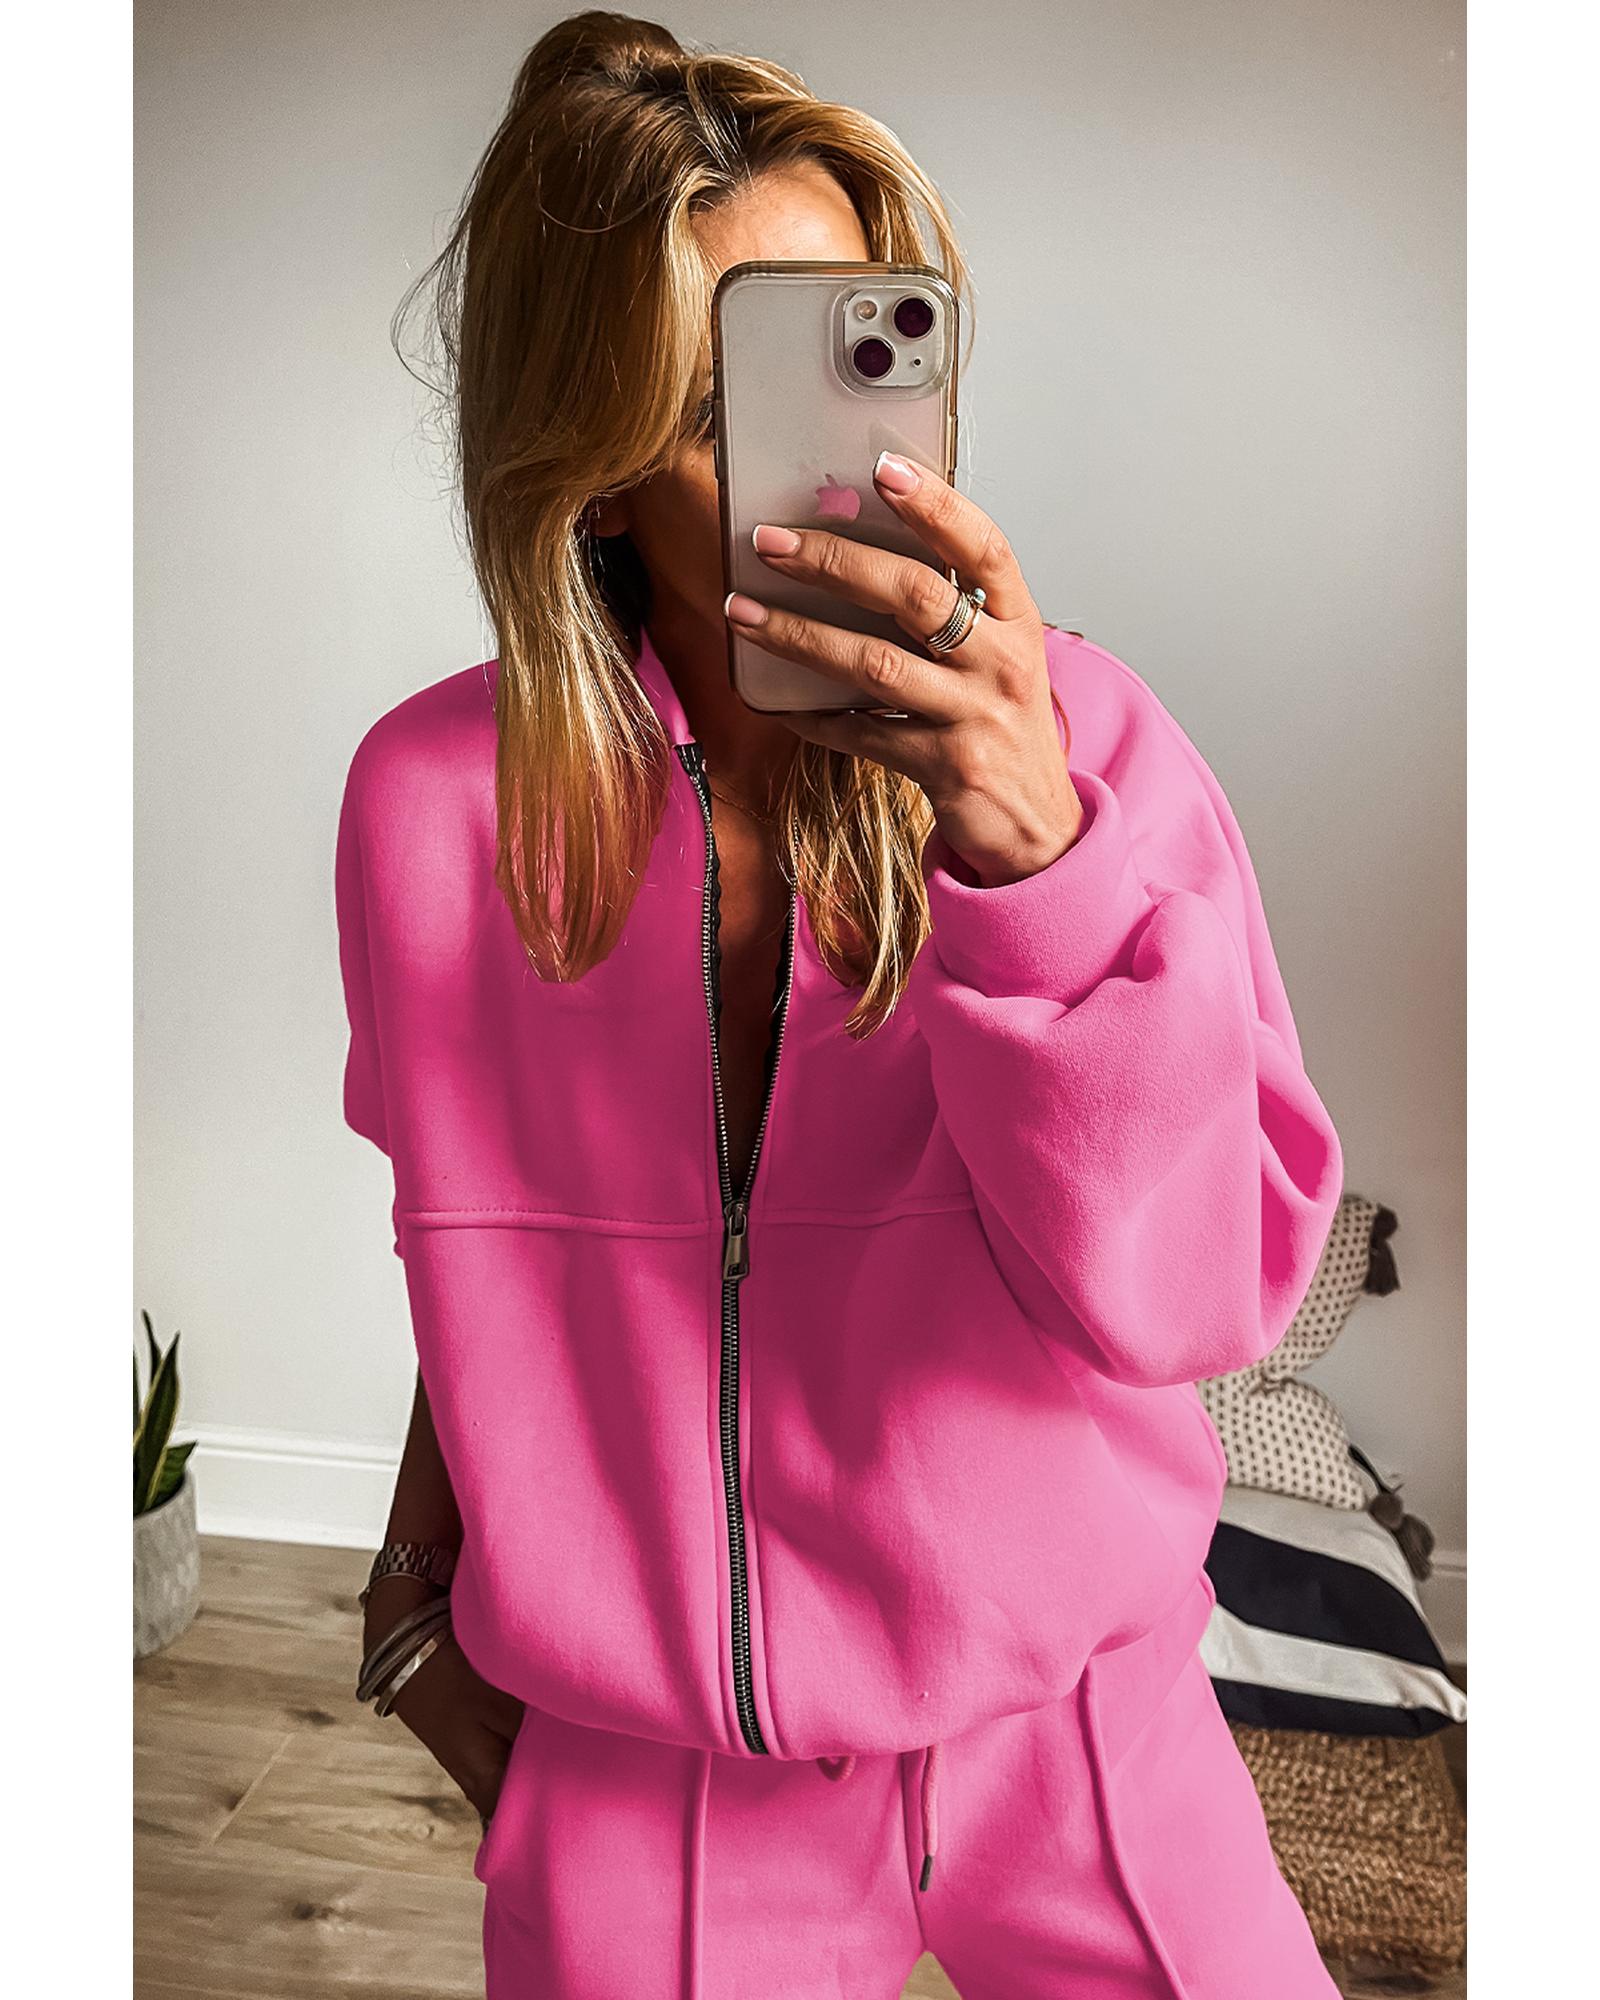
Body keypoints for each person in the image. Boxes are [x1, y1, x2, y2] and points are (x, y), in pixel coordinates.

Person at [336, 14, 1346, 1998]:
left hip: (1073, 1722)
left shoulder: (1090, 751)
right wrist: (406, 1594)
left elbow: (1192, 1300)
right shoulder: (433, 809)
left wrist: (1033, 866)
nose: (838, 470)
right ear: (591, 470)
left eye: (860, 358)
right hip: (657, 1769)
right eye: (730, 402)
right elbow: (476, 1258)